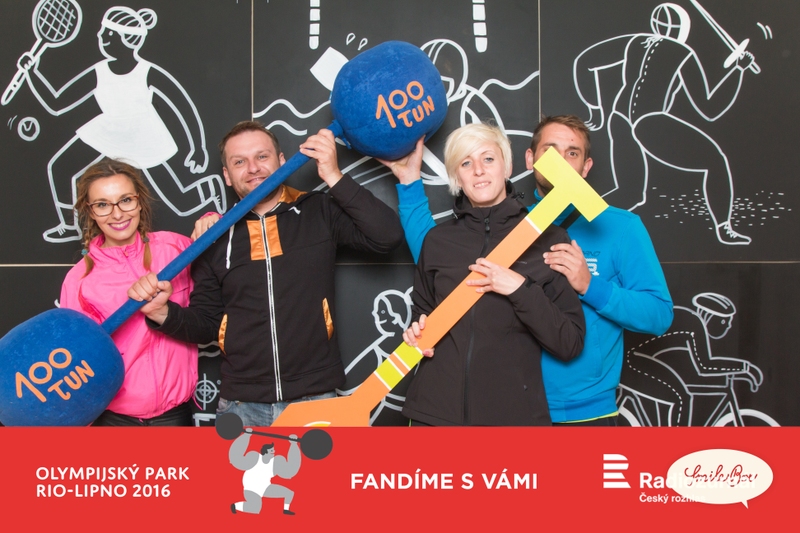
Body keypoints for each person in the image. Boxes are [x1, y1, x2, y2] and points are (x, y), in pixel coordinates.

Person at [392, 115, 673, 425]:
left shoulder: (617, 228)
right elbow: (442, 260)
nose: (561, 161)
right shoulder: (510, 223)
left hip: (581, 407)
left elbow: (659, 315)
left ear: (586, 166)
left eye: (572, 153)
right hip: (508, 405)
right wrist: (409, 183)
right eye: (550, 151)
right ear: (530, 160)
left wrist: (590, 285)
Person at [128, 121, 404, 426]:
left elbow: (387, 236)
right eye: (239, 162)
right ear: (227, 175)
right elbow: (207, 325)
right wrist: (162, 313)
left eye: (262, 156)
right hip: (240, 405)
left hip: (315, 399)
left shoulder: (318, 210)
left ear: (282, 161)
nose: (253, 168)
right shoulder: (213, 236)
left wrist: (333, 176)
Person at [383, 122, 585, 426]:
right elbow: (422, 316)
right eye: (466, 163)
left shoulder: (549, 239)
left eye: (488, 158)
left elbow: (569, 343)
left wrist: (519, 289)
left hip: (511, 420)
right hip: (433, 416)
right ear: (456, 177)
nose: (478, 170)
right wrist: (416, 335)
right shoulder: (437, 242)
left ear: (507, 166)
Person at [15, 6, 224, 243]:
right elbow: (57, 103)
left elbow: (182, 105)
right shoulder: (99, 71)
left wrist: (197, 147)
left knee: (180, 201)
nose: (100, 36)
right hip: (108, 131)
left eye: (107, 33)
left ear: (126, 39)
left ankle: (210, 188)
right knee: (60, 168)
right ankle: (68, 225)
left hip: (143, 137)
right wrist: (32, 73)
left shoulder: (147, 72)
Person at [573, 3, 756, 245]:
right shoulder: (682, 53)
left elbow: (585, 62)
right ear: (684, 29)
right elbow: (709, 109)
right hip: (648, 120)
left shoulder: (635, 41)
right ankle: (724, 228)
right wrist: (738, 70)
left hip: (619, 119)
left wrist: (595, 110)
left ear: (656, 24)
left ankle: (574, 226)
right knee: (715, 161)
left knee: (629, 193)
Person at [59, 159, 197, 426]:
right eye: (103, 204)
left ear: (140, 201)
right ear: (90, 211)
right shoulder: (78, 280)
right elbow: (75, 361)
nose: (117, 214)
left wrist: (211, 220)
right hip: (113, 420)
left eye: (125, 200)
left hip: (175, 415)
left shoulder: (177, 249)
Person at [229, 430, 300, 515]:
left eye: (274, 450)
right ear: (265, 452)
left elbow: (291, 469)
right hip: (252, 488)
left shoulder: (275, 463)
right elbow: (237, 458)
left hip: (265, 487)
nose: (274, 452)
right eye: (271, 450)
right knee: (255, 509)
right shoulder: (254, 458)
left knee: (289, 493)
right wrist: (246, 436)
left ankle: (286, 510)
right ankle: (235, 506)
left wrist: (293, 444)